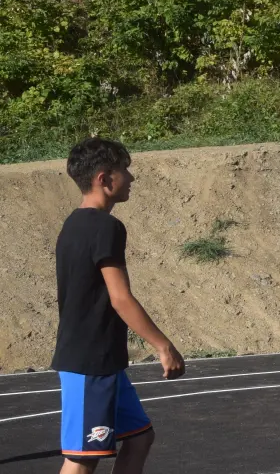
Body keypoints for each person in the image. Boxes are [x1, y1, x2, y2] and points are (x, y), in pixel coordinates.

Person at [52, 138, 185, 474]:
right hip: (89, 362)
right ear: (103, 178)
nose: (131, 177)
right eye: (124, 169)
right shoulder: (105, 227)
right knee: (82, 459)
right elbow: (120, 297)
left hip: (105, 360)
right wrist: (163, 346)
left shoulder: (74, 223)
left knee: (140, 438)